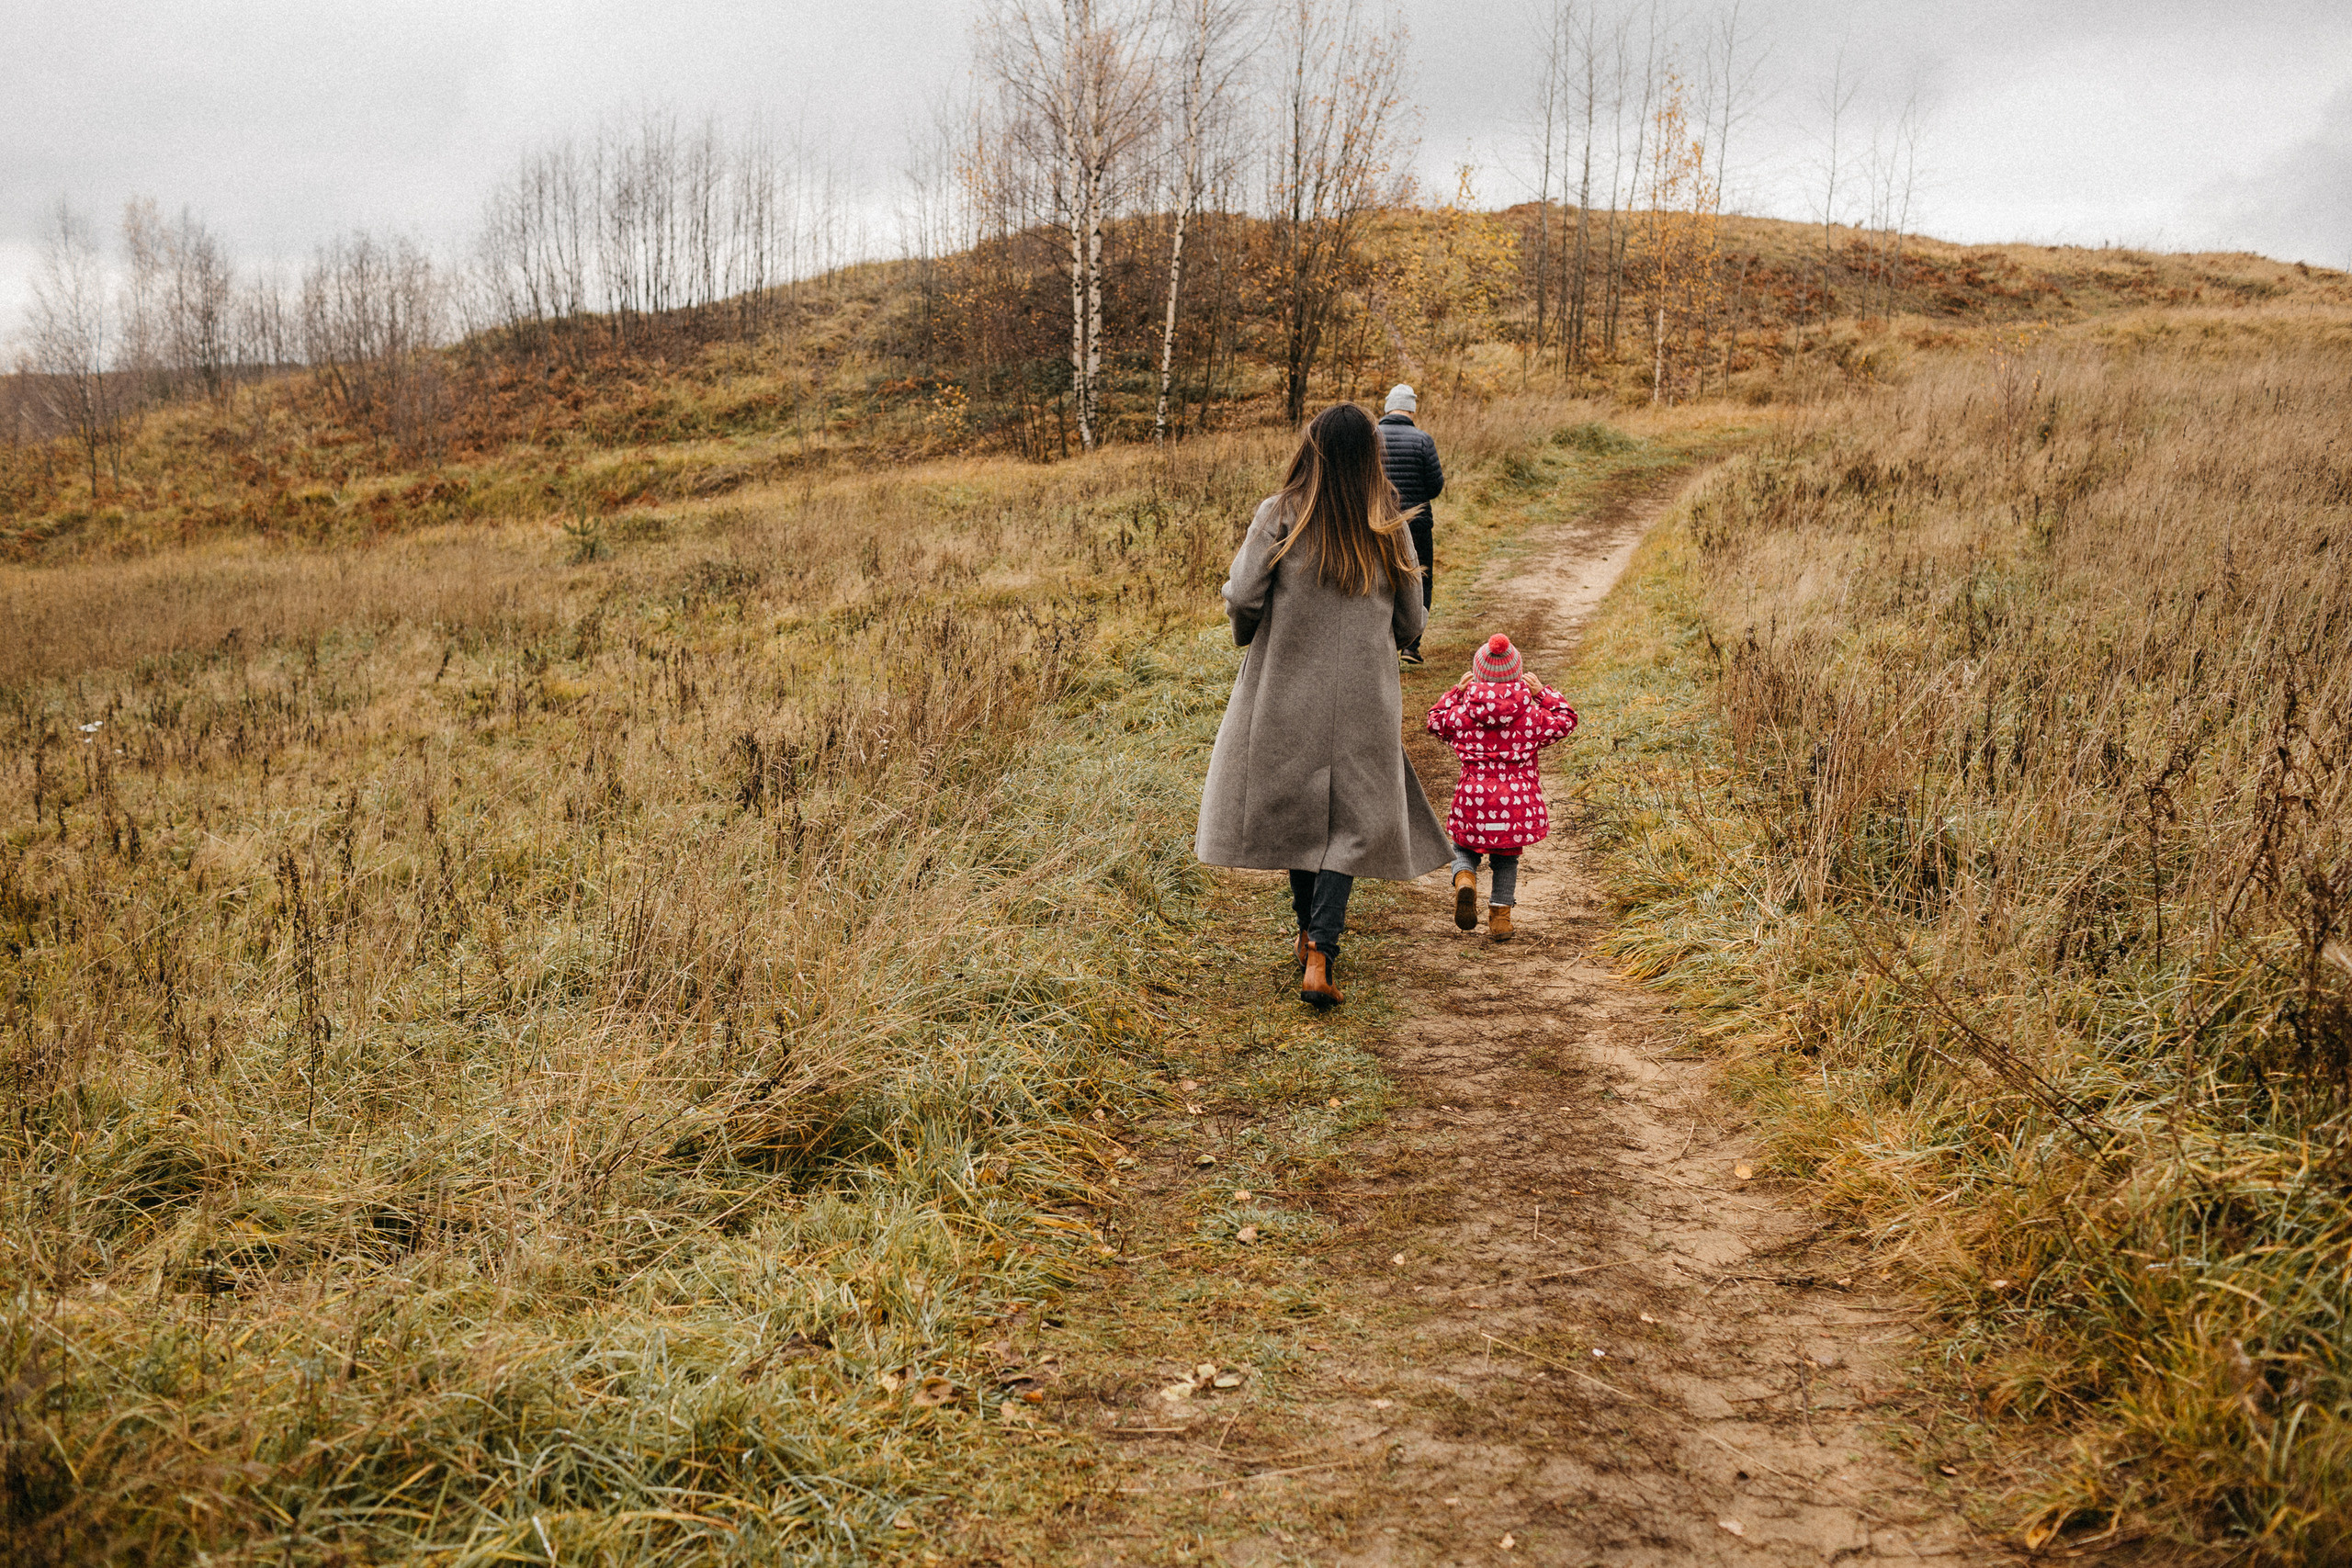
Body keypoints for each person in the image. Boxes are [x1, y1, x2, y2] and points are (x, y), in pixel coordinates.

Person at [1196, 402, 1453, 1008]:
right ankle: (1320, 952)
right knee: (1351, 823)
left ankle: (1308, 932)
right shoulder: (1388, 520)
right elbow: (1413, 618)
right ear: (1371, 454)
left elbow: (1244, 594)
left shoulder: (1280, 513)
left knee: (1301, 808)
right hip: (1364, 693)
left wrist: (1254, 629)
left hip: (1287, 685)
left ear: (1310, 448)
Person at [1423, 634, 1578, 942]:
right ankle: (1501, 919)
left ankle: (1465, 878)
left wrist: (1456, 692)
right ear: (1518, 674)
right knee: (1506, 859)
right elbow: (1566, 720)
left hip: (1473, 799)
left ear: (1477, 674)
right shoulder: (1532, 714)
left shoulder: (1464, 713)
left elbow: (1435, 720)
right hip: (1515, 804)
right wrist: (1542, 694)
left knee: (1464, 847)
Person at [1376, 384, 1445, 665]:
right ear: (1412, 408)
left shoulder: (1372, 437)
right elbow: (1435, 486)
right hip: (1416, 524)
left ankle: (1381, 644)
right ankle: (1411, 645)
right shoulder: (1422, 440)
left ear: (1387, 406)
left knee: (1379, 580)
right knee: (1419, 579)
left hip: (1378, 523)